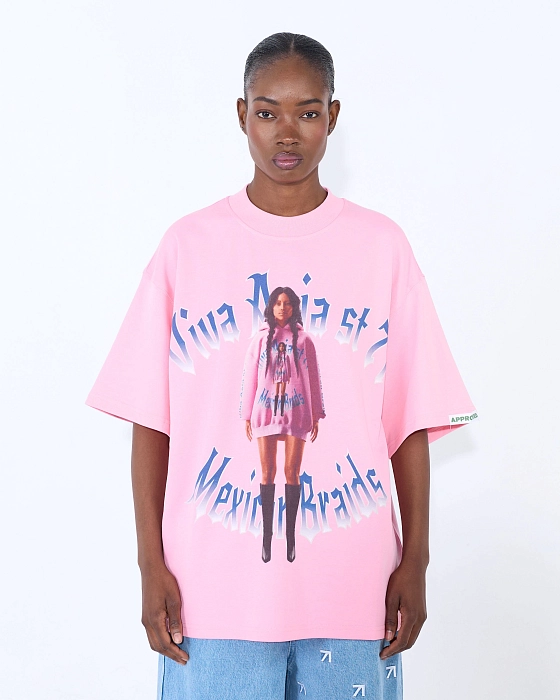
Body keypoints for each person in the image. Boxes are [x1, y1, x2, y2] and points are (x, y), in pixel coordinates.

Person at [86, 32, 477, 700]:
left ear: (333, 116)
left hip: (353, 592)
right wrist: (150, 563)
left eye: (308, 111)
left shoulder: (381, 248)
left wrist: (416, 559)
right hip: (210, 598)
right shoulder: (188, 246)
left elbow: (411, 421)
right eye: (267, 111)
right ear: (242, 115)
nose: (286, 132)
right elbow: (152, 421)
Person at [239, 286, 326, 563]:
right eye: (277, 303)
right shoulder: (259, 340)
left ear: (294, 307)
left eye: (287, 303)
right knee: (267, 471)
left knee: (291, 471)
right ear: (271, 306)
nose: (282, 307)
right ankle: (266, 538)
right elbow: (250, 377)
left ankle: (290, 539)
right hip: (265, 409)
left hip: (296, 410)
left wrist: (316, 414)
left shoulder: (305, 340)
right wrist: (247, 414)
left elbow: (313, 377)